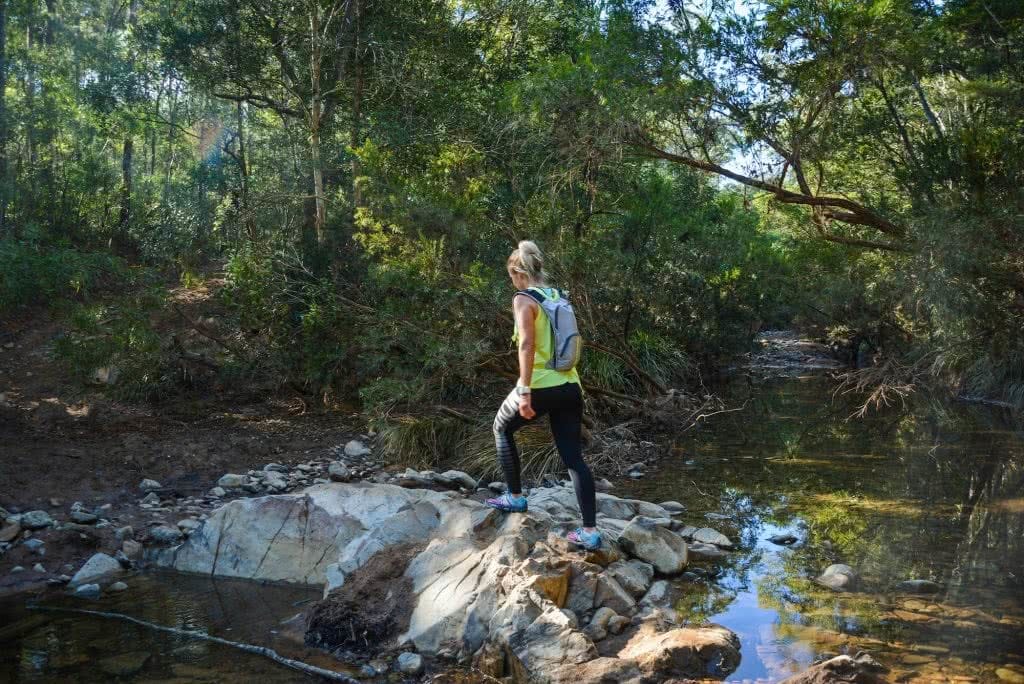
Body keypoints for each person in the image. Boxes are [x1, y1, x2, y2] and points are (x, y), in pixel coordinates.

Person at [484, 240, 601, 550]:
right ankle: (590, 531)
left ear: (519, 273)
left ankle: (515, 497)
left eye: (511, 276)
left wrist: (524, 391)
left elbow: (527, 345)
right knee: (573, 457)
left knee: (501, 427)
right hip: (570, 385)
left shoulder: (523, 299)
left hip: (539, 384)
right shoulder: (557, 296)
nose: (511, 282)